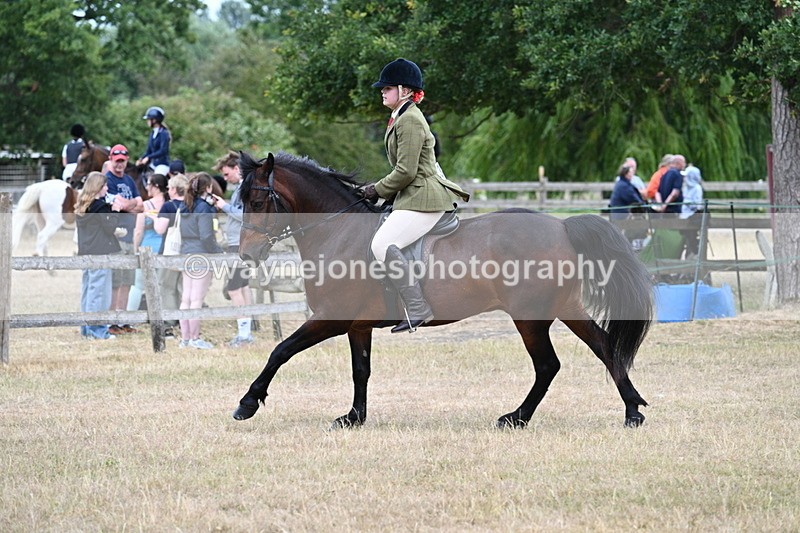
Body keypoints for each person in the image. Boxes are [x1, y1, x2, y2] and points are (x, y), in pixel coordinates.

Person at [363, 58, 470, 333]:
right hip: (414, 195)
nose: (382, 92)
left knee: (382, 245)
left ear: (405, 90)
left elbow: (406, 172)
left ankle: (418, 307)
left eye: (387, 88)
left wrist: (376, 189)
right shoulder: (401, 116)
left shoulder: (409, 119)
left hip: (424, 197)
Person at [213, 151, 255, 347]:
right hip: (240, 243)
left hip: (238, 244)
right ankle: (247, 331)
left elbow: (246, 216)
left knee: (233, 288)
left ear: (237, 169)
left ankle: (244, 334)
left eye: (226, 173)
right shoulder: (242, 188)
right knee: (243, 285)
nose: (225, 178)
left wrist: (224, 207)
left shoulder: (244, 189)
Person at [178, 172, 223, 349]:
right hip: (200, 254)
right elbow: (206, 236)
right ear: (209, 188)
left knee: (186, 298)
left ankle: (185, 339)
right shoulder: (203, 208)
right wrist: (217, 251)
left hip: (186, 252)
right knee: (196, 299)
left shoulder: (185, 205)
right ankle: (195, 338)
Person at [75, 171, 122, 340]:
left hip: (86, 252)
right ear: (98, 187)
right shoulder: (100, 206)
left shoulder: (83, 205)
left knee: (88, 291)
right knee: (99, 293)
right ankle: (97, 331)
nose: (107, 188)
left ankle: (87, 329)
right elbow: (110, 226)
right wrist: (115, 210)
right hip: (100, 252)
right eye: (105, 185)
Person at [105, 144, 144, 335]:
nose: (120, 164)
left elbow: (141, 205)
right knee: (116, 281)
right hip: (117, 235)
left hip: (129, 236)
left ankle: (124, 320)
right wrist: (131, 205)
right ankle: (112, 321)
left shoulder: (129, 179)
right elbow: (117, 205)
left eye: (123, 161)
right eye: (117, 160)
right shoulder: (108, 179)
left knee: (128, 281)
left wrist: (128, 205)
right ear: (111, 159)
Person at [154, 173, 189, 338]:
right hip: (187, 250)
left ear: (175, 189)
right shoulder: (192, 205)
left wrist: (155, 218)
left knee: (166, 287)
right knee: (184, 289)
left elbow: (160, 229)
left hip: (169, 252)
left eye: (169, 188)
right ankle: (186, 324)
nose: (168, 190)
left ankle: (168, 323)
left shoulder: (168, 206)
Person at [127, 173, 168, 313]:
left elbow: (138, 231)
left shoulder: (146, 205)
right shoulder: (169, 204)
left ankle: (131, 316)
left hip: (147, 246)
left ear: (156, 186)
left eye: (149, 184)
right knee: (161, 285)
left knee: (138, 285)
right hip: (165, 248)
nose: (146, 187)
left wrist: (135, 248)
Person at [135, 106, 171, 171]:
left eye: (149, 119)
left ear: (154, 120)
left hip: (162, 165)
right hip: (153, 164)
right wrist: (141, 158)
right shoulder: (152, 133)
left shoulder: (164, 133)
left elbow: (162, 151)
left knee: (157, 178)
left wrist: (149, 157)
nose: (147, 122)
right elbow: (148, 151)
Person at [680, 164, 705, 257]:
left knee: (691, 242)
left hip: (692, 219)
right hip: (683, 218)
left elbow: (698, 205)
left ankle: (691, 259)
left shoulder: (697, 189)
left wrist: (688, 204)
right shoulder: (686, 188)